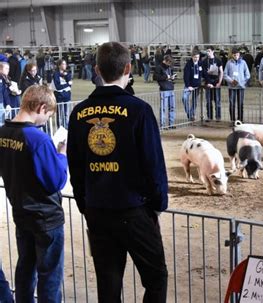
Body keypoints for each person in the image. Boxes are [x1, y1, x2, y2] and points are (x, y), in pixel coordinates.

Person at [67, 42, 168, 302]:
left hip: (97, 210)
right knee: (156, 278)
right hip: (133, 210)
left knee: (108, 282)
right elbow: (153, 164)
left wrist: (84, 204)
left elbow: (75, 166)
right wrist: (157, 204)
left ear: (97, 69)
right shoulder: (139, 110)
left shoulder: (79, 113)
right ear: (128, 68)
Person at [0, 84, 68, 302]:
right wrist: (61, 155)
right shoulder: (38, 139)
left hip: (21, 211)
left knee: (26, 268)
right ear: (40, 107)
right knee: (49, 274)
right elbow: (55, 180)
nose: (46, 120)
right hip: (46, 218)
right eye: (48, 115)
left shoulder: (2, 133)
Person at [224, 47, 250, 124]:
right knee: (232, 104)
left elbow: (247, 75)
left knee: (240, 104)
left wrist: (243, 82)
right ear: (232, 55)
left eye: (237, 54)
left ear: (239, 54)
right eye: (234, 55)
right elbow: (225, 74)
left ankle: (240, 120)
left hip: (241, 87)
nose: (236, 56)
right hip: (232, 87)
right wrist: (231, 81)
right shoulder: (229, 63)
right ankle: (232, 120)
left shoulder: (243, 63)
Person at [202, 46, 224, 122]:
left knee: (217, 101)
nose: (207, 52)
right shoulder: (204, 61)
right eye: (207, 51)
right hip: (208, 83)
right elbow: (204, 74)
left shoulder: (218, 60)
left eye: (209, 51)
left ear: (213, 51)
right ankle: (209, 117)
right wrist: (208, 83)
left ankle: (218, 117)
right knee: (208, 101)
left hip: (216, 83)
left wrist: (219, 82)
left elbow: (221, 72)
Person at [156, 54, 177, 128]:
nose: (170, 64)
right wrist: (166, 77)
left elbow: (170, 76)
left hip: (171, 88)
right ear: (165, 61)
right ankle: (163, 125)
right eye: (169, 63)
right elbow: (156, 77)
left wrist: (172, 78)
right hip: (164, 89)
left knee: (172, 107)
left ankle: (172, 124)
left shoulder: (170, 67)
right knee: (163, 108)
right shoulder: (159, 67)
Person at [51, 59, 72, 128]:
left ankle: (66, 126)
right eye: (63, 64)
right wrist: (67, 84)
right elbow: (58, 87)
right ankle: (60, 126)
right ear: (59, 65)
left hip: (67, 95)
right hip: (59, 96)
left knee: (66, 113)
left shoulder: (68, 73)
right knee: (60, 113)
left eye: (65, 64)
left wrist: (66, 77)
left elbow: (70, 83)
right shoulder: (55, 74)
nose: (64, 66)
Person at [182, 50, 203, 121]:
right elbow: (186, 76)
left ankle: (192, 114)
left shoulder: (200, 63)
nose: (196, 58)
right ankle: (189, 114)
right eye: (195, 57)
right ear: (192, 57)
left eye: (197, 57)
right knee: (184, 98)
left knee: (194, 101)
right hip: (189, 86)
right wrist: (188, 86)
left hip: (197, 86)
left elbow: (204, 73)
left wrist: (208, 82)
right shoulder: (188, 64)